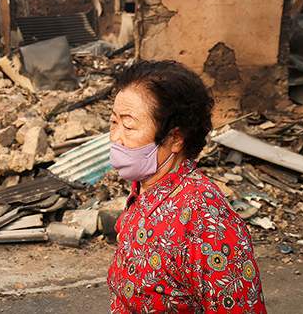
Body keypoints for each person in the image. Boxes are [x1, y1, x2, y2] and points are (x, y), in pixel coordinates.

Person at [106, 60, 267, 313]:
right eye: (113, 122)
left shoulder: (206, 220)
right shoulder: (143, 191)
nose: (116, 137)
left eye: (128, 125)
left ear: (175, 139)